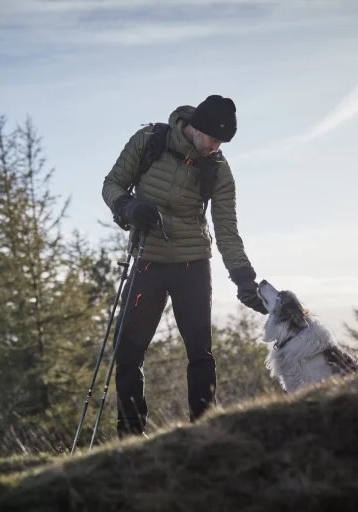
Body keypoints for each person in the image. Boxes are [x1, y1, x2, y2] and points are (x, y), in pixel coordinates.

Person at [101, 94, 267, 438]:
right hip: (148, 260)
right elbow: (112, 184)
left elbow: (226, 228)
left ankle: (204, 432)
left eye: (222, 142)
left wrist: (243, 277)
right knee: (128, 352)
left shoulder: (217, 168)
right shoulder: (149, 142)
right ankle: (131, 437)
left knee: (200, 353)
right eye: (214, 138)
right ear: (196, 128)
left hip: (192, 265)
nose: (216, 146)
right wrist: (128, 208)